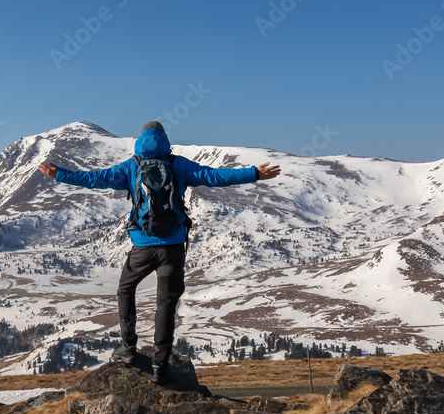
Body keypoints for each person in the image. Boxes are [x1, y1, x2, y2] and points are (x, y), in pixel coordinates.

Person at [37, 121, 281, 383]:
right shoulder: (179, 165)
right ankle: (160, 362)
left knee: (125, 290)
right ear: (165, 139)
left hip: (142, 247)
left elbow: (95, 179)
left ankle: (128, 348)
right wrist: (253, 173)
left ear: (141, 139)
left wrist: (59, 174)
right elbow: (214, 176)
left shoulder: (132, 166)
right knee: (166, 302)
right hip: (173, 247)